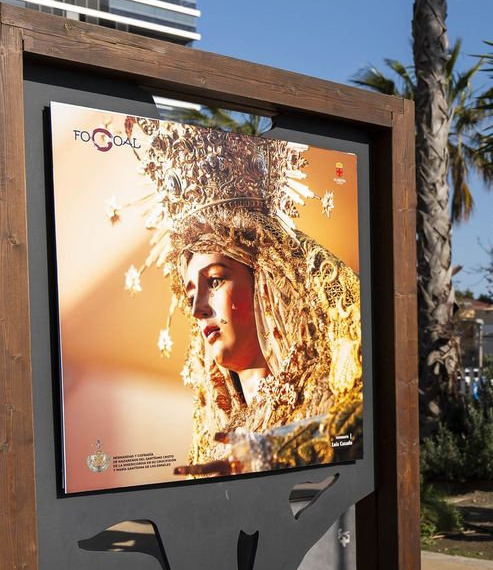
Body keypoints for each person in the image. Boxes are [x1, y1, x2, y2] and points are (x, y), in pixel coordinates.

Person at [122, 115, 363, 477]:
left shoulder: (335, 395)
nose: (199, 308)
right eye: (191, 295)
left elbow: (362, 426)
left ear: (268, 282)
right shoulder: (216, 433)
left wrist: (269, 452)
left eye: (215, 281)